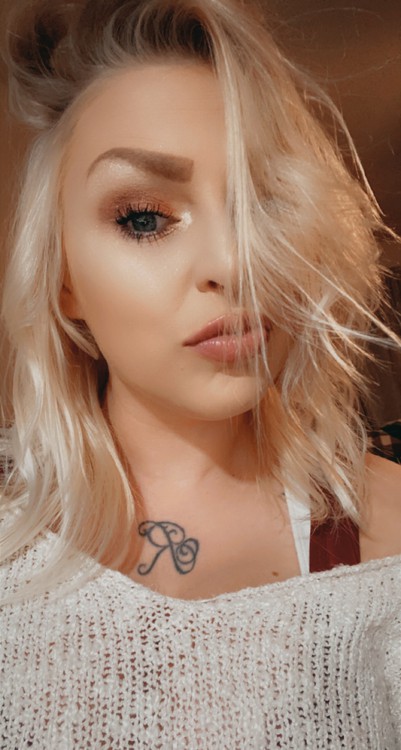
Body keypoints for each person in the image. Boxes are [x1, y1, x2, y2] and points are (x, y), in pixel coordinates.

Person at [0, 0, 400, 747]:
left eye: (265, 204)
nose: (234, 262)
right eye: (144, 217)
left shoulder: (390, 545)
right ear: (63, 278)